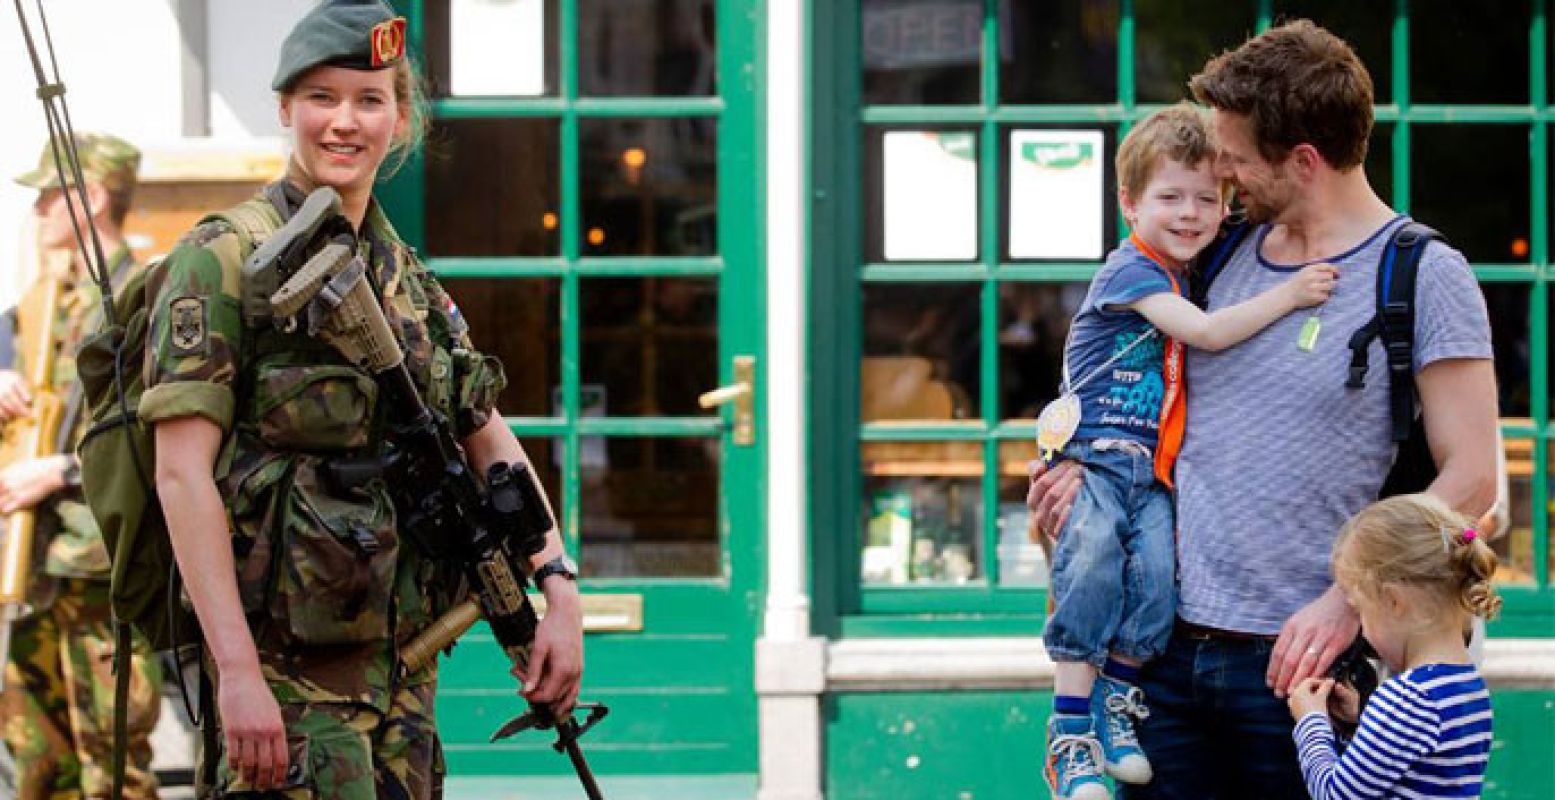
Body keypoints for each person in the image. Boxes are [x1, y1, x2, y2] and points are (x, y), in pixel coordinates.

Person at [1027, 20, 1497, 800]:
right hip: (1159, 658)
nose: (1223, 176)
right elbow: (1120, 371)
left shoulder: (1422, 274)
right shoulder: (1213, 250)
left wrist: (1343, 604)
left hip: (1302, 669)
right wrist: (1076, 467)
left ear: (1302, 162)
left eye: (1236, 159)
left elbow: (1472, 478)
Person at [140, 1, 584, 796]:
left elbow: (485, 435)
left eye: (370, 100)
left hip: (403, 685)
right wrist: (236, 672)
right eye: (321, 98)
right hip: (284, 692)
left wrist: (558, 588)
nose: (344, 123)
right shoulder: (222, 262)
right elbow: (180, 476)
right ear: (284, 109)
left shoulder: (404, 274)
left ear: (401, 119)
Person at [1040, 103, 1337, 800]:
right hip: (1101, 459)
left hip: (1152, 471)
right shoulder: (1131, 274)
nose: (1190, 212)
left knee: (1154, 585)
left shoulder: (1187, 266)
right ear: (1128, 204)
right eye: (1169, 196)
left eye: (1208, 198)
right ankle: (1068, 732)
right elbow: (1203, 334)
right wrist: (1291, 294)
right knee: (1090, 568)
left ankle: (1117, 700)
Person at [0, 134, 162, 799]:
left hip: (105, 567)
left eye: (49, 195)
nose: (37, 210)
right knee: (38, 761)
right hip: (38, 564)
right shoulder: (43, 302)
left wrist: (61, 471)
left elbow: (158, 429)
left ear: (92, 197)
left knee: (113, 766)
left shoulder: (143, 296)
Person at [1286, 494, 1497, 800]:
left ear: (1394, 602)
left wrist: (1311, 722)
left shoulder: (1407, 697)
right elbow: (1412, 768)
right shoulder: (1467, 685)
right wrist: (1361, 722)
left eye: (1361, 612)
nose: (1363, 627)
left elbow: (1335, 794)